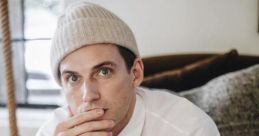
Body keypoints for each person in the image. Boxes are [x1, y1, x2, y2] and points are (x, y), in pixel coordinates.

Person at [36, 1, 220, 136]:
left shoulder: (189, 129)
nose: (88, 95)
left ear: (135, 73)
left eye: (103, 72)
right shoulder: (51, 131)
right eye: (74, 78)